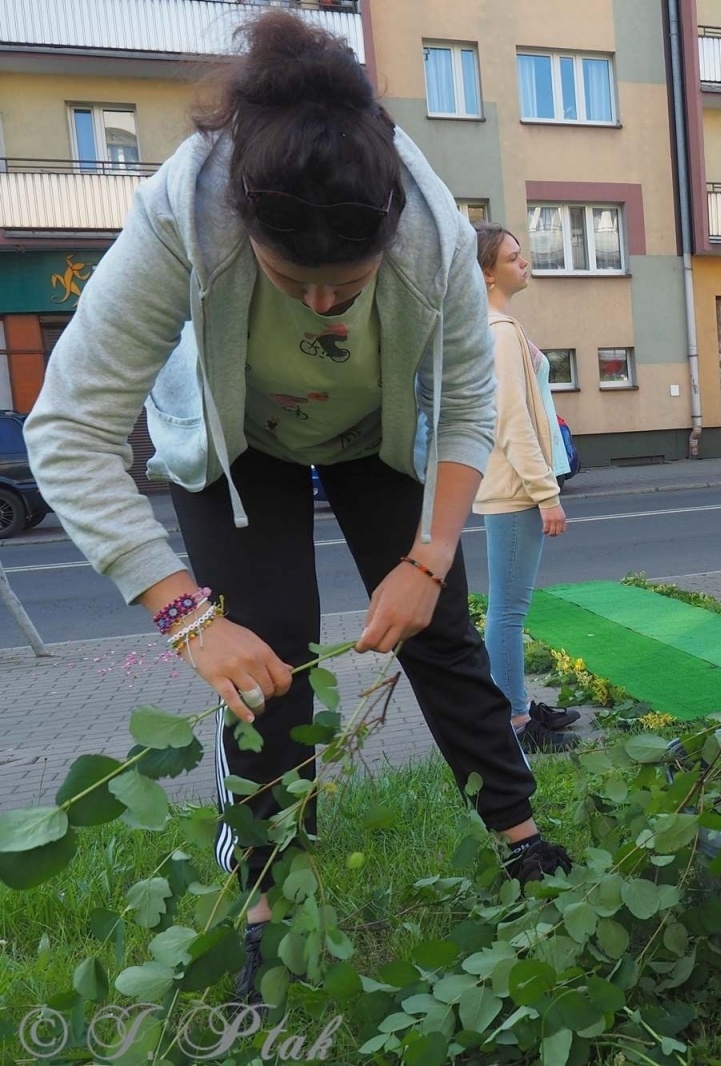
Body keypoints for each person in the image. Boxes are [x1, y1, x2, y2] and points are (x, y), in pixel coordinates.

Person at [23, 12, 571, 1000]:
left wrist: (429, 556)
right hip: (236, 443)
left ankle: (521, 837)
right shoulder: (179, 217)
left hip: (374, 430)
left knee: (438, 631)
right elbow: (65, 428)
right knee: (264, 660)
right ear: (245, 229)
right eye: (293, 281)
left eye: (346, 285)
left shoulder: (434, 231)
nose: (323, 306)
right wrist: (185, 615)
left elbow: (468, 402)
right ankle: (268, 900)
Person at [472, 221, 580, 750]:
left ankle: (514, 706)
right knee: (508, 611)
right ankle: (514, 724)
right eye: (514, 257)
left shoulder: (500, 326)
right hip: (515, 490)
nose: (525, 263)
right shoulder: (496, 331)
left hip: (512, 486)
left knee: (508, 608)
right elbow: (512, 420)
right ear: (488, 272)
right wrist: (546, 493)